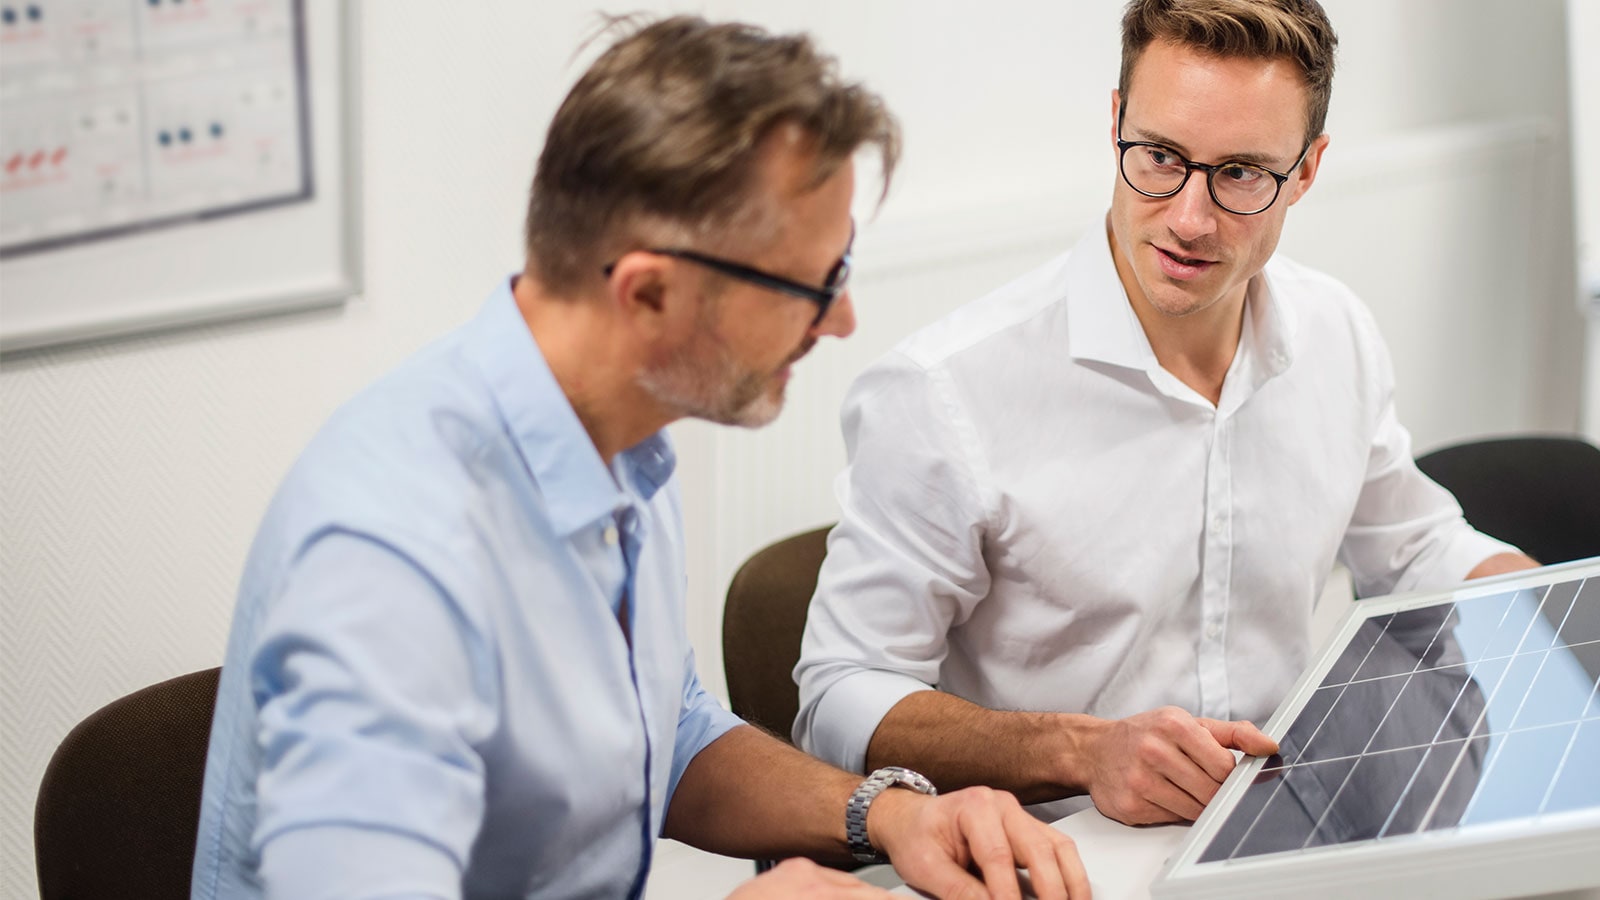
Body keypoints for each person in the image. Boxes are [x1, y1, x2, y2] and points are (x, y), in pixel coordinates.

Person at [189, 16, 1090, 900]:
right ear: (649, 292)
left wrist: (887, 813)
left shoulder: (623, 446)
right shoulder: (393, 554)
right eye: (811, 286)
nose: (841, 320)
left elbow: (666, 738)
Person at [793, 0, 1538, 829]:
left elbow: (1413, 546)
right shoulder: (942, 391)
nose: (1189, 219)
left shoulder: (1335, 333)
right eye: (1158, 156)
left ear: (1308, 169)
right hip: (1064, 851)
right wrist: (1078, 751)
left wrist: (1555, 616)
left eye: (1243, 173)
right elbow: (840, 695)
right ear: (1115, 122)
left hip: (1281, 825)